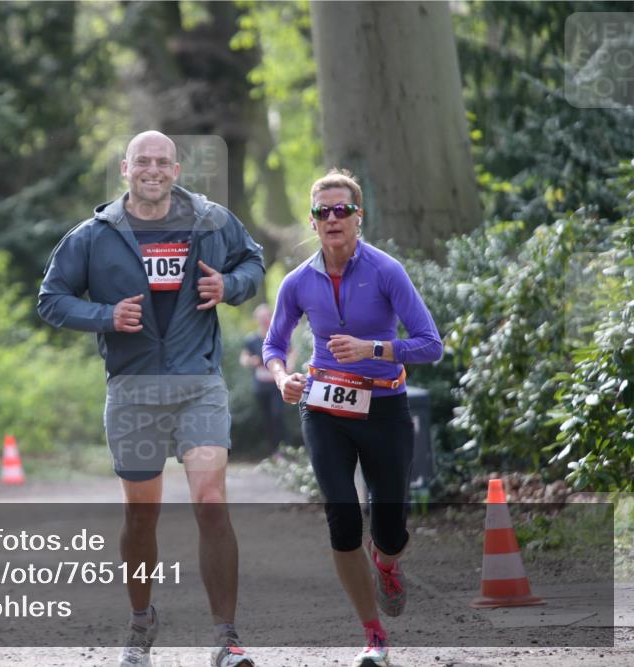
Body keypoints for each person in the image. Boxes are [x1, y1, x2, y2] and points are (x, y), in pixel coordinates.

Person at [38, 131, 264, 667]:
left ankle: (226, 640)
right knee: (142, 516)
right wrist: (105, 316)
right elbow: (51, 300)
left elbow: (252, 262)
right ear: (125, 169)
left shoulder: (211, 220)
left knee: (210, 502)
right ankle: (141, 622)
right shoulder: (94, 235)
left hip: (198, 383)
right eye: (143, 161)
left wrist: (228, 288)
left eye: (162, 161)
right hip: (132, 388)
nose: (153, 170)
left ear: (176, 169)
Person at [261, 169, 442, 667]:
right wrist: (283, 379)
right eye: (323, 212)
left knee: (390, 528)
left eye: (342, 210)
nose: (333, 219)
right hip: (324, 408)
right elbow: (274, 345)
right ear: (313, 221)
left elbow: (431, 344)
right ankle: (374, 635)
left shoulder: (386, 271)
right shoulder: (298, 282)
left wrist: (375, 348)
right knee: (342, 520)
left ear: (359, 217)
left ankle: (386, 561)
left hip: (384, 405)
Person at [239, 304, 292, 455]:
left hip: (277, 384)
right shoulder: (251, 339)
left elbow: (292, 352)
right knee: (267, 418)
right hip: (260, 385)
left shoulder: (278, 336)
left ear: (271, 317)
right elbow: (243, 358)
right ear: (256, 319)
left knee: (278, 415)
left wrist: (288, 366)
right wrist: (251, 361)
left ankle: (286, 450)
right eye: (261, 317)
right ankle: (274, 452)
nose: (264, 320)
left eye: (266, 316)